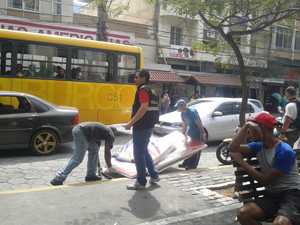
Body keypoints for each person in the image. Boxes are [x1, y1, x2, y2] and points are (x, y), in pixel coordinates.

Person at [229, 113, 300, 225]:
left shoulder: (284, 151)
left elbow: (265, 180)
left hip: (291, 195)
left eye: (253, 128)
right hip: (272, 195)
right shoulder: (258, 146)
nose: (251, 132)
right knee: (243, 214)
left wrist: (241, 162)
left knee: (280, 223)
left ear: (260, 129)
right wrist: (246, 126)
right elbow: (232, 147)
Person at [124, 69, 160, 190]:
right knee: (144, 151)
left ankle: (140, 182)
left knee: (139, 154)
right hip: (149, 126)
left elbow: (143, 107)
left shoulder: (143, 90)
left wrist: (130, 123)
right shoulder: (152, 90)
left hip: (141, 126)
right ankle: (154, 175)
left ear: (144, 78)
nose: (134, 79)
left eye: (137, 77)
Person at [50, 122, 117, 186]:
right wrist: (110, 167)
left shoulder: (100, 132)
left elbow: (96, 153)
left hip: (79, 129)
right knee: (77, 159)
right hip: (81, 132)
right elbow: (107, 152)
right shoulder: (110, 133)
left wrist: (99, 167)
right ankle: (58, 178)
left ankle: (91, 175)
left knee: (94, 150)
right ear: (113, 133)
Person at [175, 99, 207, 169]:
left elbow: (199, 124)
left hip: (197, 131)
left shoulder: (192, 112)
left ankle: (192, 165)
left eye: (178, 107)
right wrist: (183, 135)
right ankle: (186, 162)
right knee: (188, 147)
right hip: (191, 131)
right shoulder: (182, 113)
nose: (177, 108)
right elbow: (184, 125)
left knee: (196, 149)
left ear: (182, 106)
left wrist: (203, 135)